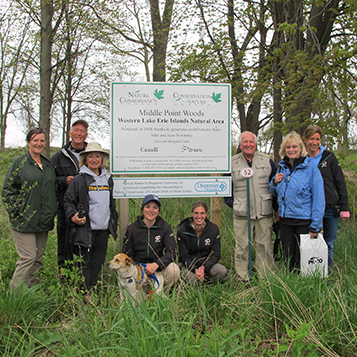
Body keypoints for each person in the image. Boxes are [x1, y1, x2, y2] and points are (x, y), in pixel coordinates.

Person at [2, 127, 57, 292]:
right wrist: (17, 212)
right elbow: (7, 191)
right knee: (28, 257)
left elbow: (51, 191)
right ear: (28, 142)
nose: (39, 143)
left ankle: (30, 292)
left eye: (41, 140)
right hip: (24, 221)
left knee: (38, 259)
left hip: (43, 221)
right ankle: (15, 296)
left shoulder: (47, 165)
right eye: (35, 140)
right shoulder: (19, 164)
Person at [63, 142, 117, 292]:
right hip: (85, 230)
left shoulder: (108, 179)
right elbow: (68, 201)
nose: (94, 159)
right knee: (83, 264)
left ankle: (90, 289)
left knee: (97, 263)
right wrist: (72, 216)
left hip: (103, 230)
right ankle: (83, 293)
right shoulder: (79, 180)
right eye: (91, 156)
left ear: (102, 159)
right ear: (85, 159)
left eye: (97, 156)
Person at [269, 131, 325, 272]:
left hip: (304, 221)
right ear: (284, 150)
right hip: (286, 220)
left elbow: (319, 199)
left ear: (301, 148)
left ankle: (305, 285)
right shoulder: (282, 167)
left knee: (303, 258)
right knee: (289, 257)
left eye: (294, 147)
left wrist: (315, 225)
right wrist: (274, 182)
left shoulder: (311, 169)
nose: (291, 150)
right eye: (288, 147)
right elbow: (273, 191)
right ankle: (290, 284)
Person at [228, 131, 277, 282]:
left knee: (265, 246)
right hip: (242, 213)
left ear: (256, 144)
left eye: (251, 142)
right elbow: (225, 186)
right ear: (240, 144)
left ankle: (265, 277)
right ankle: (243, 277)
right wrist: (232, 203)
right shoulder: (232, 163)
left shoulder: (267, 161)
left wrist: (276, 208)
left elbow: (275, 185)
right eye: (245, 142)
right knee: (242, 247)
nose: (248, 145)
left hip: (264, 212)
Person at [303, 125, 349, 270]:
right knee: (309, 241)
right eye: (311, 139)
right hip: (309, 207)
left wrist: (344, 207)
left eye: (317, 139)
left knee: (328, 242)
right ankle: (309, 271)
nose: (314, 142)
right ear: (306, 140)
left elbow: (340, 182)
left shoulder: (329, 157)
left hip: (330, 207)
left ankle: (325, 272)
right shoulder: (302, 158)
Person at [51, 119, 88, 269]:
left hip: (87, 209)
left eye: (82, 131)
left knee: (84, 246)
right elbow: (49, 180)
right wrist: (63, 181)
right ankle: (64, 278)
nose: (78, 134)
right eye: (76, 130)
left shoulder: (91, 154)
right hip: (65, 210)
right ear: (70, 133)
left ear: (86, 135)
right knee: (65, 245)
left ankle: (83, 279)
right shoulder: (59, 157)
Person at [123, 194, 179, 292]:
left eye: (155, 207)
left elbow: (172, 252)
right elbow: (127, 254)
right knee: (139, 302)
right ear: (142, 209)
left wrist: (156, 264)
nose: (151, 210)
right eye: (148, 207)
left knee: (174, 269)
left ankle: (163, 293)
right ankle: (140, 292)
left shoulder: (164, 227)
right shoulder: (133, 228)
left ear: (158, 210)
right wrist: (138, 268)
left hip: (158, 269)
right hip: (139, 271)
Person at [177, 201, 227, 286]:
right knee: (194, 282)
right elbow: (184, 256)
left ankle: (208, 284)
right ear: (192, 213)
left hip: (207, 265)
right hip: (189, 265)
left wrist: (204, 268)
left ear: (206, 214)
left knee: (221, 271)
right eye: (196, 213)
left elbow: (216, 254)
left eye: (202, 213)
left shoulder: (213, 229)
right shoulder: (183, 230)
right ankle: (197, 282)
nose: (199, 216)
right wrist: (195, 269)